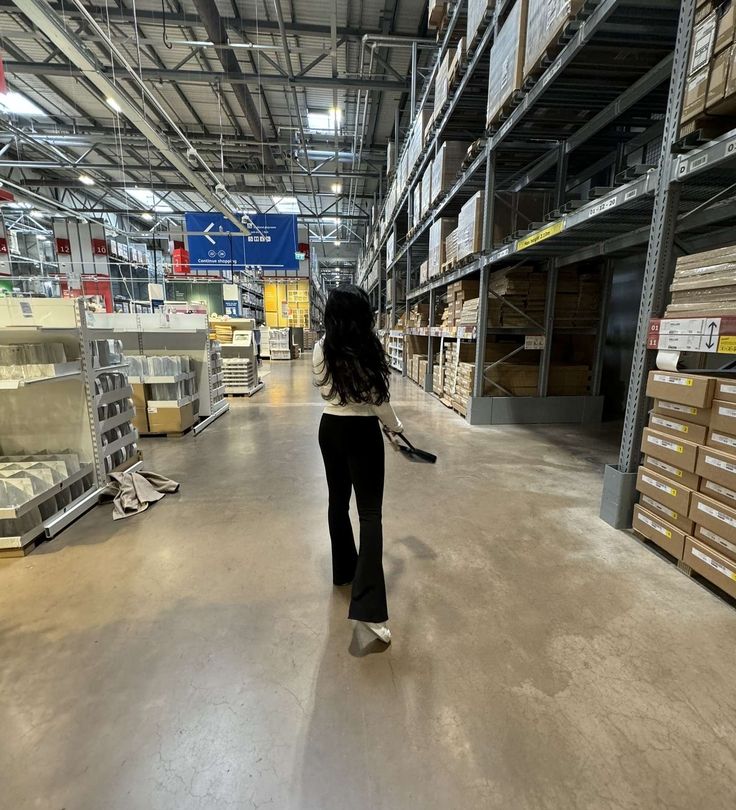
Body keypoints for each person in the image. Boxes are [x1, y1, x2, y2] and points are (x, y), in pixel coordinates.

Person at [313, 285, 403, 645]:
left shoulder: (321, 348)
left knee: (337, 503)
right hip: (362, 431)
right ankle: (369, 611)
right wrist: (396, 429)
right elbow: (379, 400)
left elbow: (325, 390)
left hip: (329, 427)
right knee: (370, 514)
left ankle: (344, 573)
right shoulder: (368, 348)